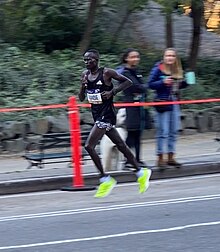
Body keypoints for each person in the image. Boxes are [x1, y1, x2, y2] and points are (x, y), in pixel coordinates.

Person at [78, 49, 151, 198]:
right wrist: (83, 86)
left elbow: (128, 82)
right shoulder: (85, 75)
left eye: (90, 60)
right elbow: (80, 98)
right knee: (120, 144)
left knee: (89, 146)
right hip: (96, 114)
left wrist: (113, 92)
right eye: (85, 60)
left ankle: (105, 179)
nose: (87, 63)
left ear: (97, 60)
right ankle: (140, 172)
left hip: (107, 114)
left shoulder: (106, 73)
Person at [148, 48, 188, 169]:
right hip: (163, 102)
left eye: (172, 56)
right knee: (163, 131)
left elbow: (178, 86)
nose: (170, 58)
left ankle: (171, 157)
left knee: (174, 130)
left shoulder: (177, 69)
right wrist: (163, 82)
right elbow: (150, 84)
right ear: (164, 57)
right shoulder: (158, 68)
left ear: (175, 58)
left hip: (174, 102)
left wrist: (187, 82)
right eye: (168, 55)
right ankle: (160, 158)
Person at [118, 48, 147, 169]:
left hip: (140, 105)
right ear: (126, 58)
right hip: (130, 106)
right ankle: (128, 160)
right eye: (133, 57)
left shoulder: (137, 71)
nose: (136, 59)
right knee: (131, 134)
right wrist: (141, 87)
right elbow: (134, 86)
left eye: (137, 57)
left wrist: (142, 87)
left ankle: (138, 159)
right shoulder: (125, 72)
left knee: (138, 134)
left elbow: (142, 87)